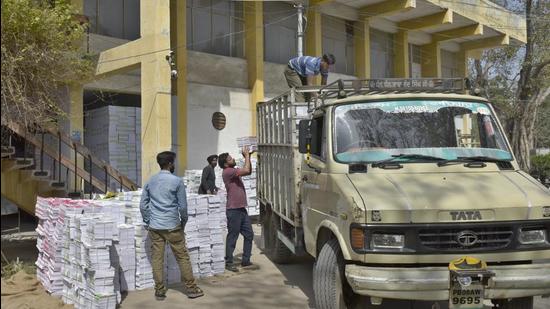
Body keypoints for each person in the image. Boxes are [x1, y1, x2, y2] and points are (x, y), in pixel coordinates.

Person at [140, 151, 204, 301]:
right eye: (173, 162)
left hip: (155, 226)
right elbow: (182, 207)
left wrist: (148, 221)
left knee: (157, 258)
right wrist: (183, 222)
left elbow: (143, 206)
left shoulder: (150, 181)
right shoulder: (177, 181)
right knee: (182, 257)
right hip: (172, 225)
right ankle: (191, 289)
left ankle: (160, 291)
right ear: (169, 164)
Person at [218, 147, 256, 272]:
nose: (233, 158)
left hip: (241, 209)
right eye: (230, 158)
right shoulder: (228, 171)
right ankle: (229, 262)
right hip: (233, 210)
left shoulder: (233, 170)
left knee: (249, 234)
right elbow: (246, 169)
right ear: (225, 163)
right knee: (233, 236)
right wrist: (246, 156)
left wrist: (247, 157)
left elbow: (248, 171)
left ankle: (245, 260)